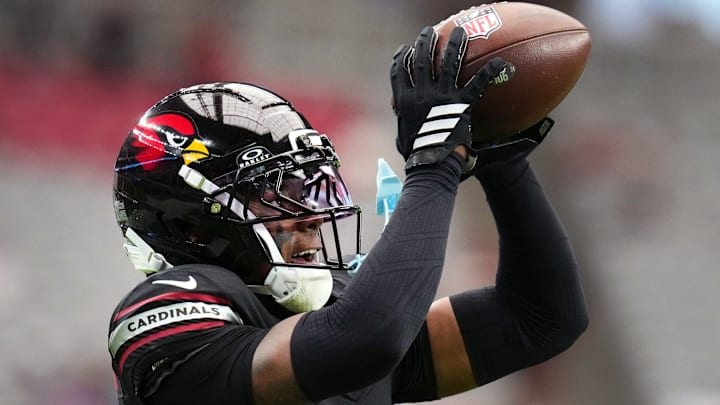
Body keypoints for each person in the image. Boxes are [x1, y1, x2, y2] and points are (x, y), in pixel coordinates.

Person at [108, 26, 588, 404]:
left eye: (309, 187)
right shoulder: (161, 313)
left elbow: (541, 319)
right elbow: (366, 338)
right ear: (190, 228)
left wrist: (501, 162)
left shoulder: (330, 314)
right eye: (278, 194)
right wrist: (435, 164)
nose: (313, 215)